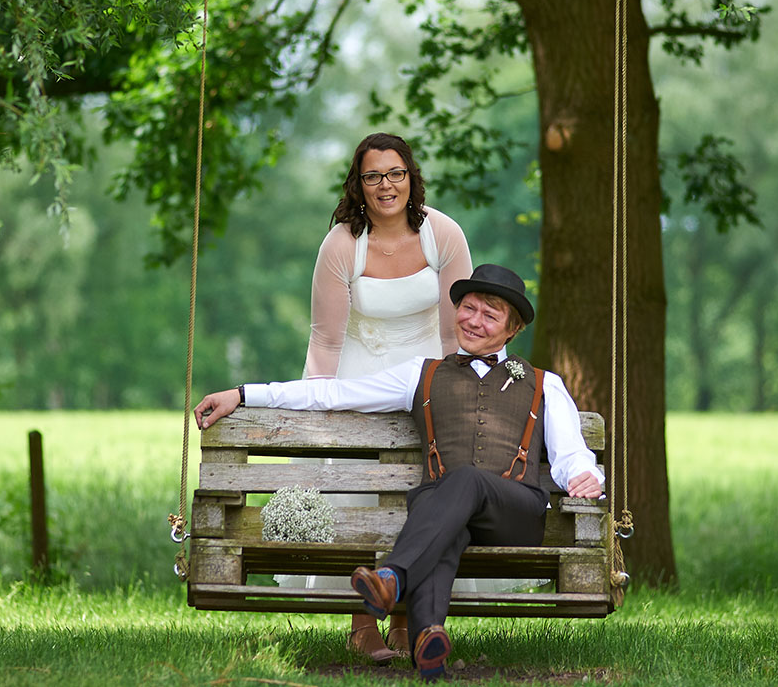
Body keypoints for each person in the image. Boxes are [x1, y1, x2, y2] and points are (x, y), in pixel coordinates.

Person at [195, 264, 604, 681]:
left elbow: (571, 453)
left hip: (514, 513)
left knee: (464, 479)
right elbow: (333, 393)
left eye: (490, 314)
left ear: (512, 328)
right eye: (468, 307)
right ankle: (429, 644)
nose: (474, 320)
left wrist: (587, 476)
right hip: (443, 514)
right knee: (446, 530)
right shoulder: (420, 375)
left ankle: (391, 577)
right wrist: (244, 394)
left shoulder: (542, 384)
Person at [299, 132, 473, 662]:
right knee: (361, 491)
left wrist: (461, 393)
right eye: (373, 176)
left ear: (410, 177)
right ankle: (362, 622)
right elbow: (326, 338)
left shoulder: (441, 234)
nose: (385, 185)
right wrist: (317, 408)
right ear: (359, 184)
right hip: (359, 375)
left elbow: (458, 333)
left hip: (428, 375)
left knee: (421, 491)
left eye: (395, 173)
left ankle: (408, 617)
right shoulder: (341, 244)